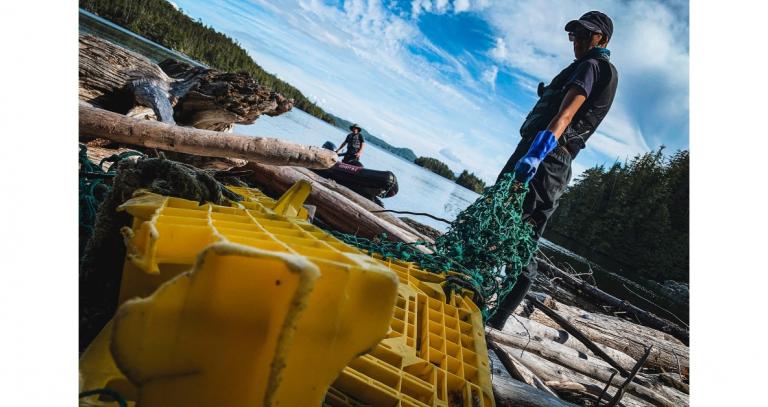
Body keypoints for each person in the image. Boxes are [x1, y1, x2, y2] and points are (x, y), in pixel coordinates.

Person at [487, 11, 619, 329]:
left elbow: (565, 116)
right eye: (574, 34)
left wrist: (534, 156)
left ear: (602, 39)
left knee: (520, 234)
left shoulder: (591, 66)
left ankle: (495, 320)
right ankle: (487, 304)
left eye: (585, 35)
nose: (576, 41)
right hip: (551, 159)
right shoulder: (593, 69)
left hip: (547, 158)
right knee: (508, 227)